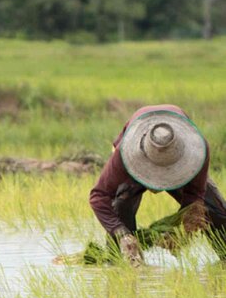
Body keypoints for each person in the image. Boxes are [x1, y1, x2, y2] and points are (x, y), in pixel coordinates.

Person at [89, 104, 226, 266]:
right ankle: (122, 262)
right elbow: (98, 196)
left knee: (213, 210)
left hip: (180, 168)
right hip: (137, 165)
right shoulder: (124, 153)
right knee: (120, 205)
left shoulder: (198, 150)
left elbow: (194, 197)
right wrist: (122, 233)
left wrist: (180, 231)